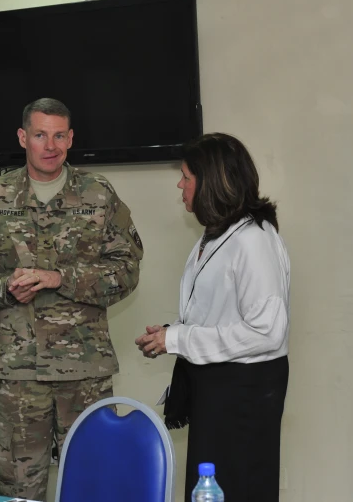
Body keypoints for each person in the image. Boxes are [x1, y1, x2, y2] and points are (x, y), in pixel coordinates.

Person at [0, 98, 144, 501]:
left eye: (59, 135)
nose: (50, 145)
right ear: (23, 138)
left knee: (94, 482)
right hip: (20, 374)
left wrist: (61, 278)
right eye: (40, 135)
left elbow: (126, 271)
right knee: (19, 489)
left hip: (84, 370)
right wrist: (5, 286)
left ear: (71, 139)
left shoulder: (99, 196)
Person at [135, 133, 290, 502]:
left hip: (243, 395)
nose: (180, 184)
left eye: (187, 177)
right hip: (218, 388)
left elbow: (267, 331)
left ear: (212, 183)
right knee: (211, 485)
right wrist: (172, 334)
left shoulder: (254, 240)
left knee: (238, 487)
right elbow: (217, 311)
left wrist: (179, 340)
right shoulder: (218, 234)